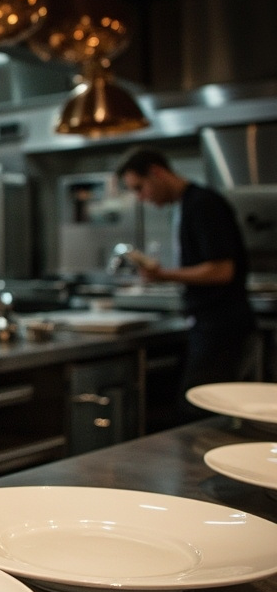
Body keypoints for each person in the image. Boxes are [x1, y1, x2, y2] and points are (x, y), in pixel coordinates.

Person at [115, 147, 257, 412]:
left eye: (140, 187)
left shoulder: (203, 204)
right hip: (209, 325)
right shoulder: (186, 205)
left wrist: (163, 275)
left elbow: (222, 270)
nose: (142, 197)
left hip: (220, 327)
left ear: (157, 173)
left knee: (200, 409)